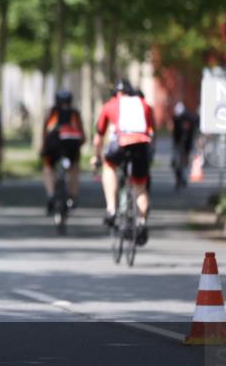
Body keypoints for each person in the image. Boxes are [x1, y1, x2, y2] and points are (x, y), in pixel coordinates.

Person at [90, 79, 155, 245]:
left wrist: (96, 157)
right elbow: (151, 131)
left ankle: (111, 209)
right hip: (141, 145)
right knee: (140, 187)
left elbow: (98, 139)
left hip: (121, 144)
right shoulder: (144, 104)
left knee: (109, 166)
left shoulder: (110, 105)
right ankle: (141, 221)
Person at [41, 89, 85, 214]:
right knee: (74, 169)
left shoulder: (51, 112)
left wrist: (43, 147)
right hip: (71, 147)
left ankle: (50, 195)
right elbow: (82, 136)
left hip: (53, 146)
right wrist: (78, 147)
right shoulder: (75, 113)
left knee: (48, 168)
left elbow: (45, 132)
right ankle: (72, 197)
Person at [170, 101, 198, 189]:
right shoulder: (176, 119)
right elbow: (173, 130)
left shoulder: (190, 118)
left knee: (185, 160)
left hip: (186, 143)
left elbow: (195, 125)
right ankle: (179, 177)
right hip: (178, 143)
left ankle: (183, 177)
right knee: (176, 161)